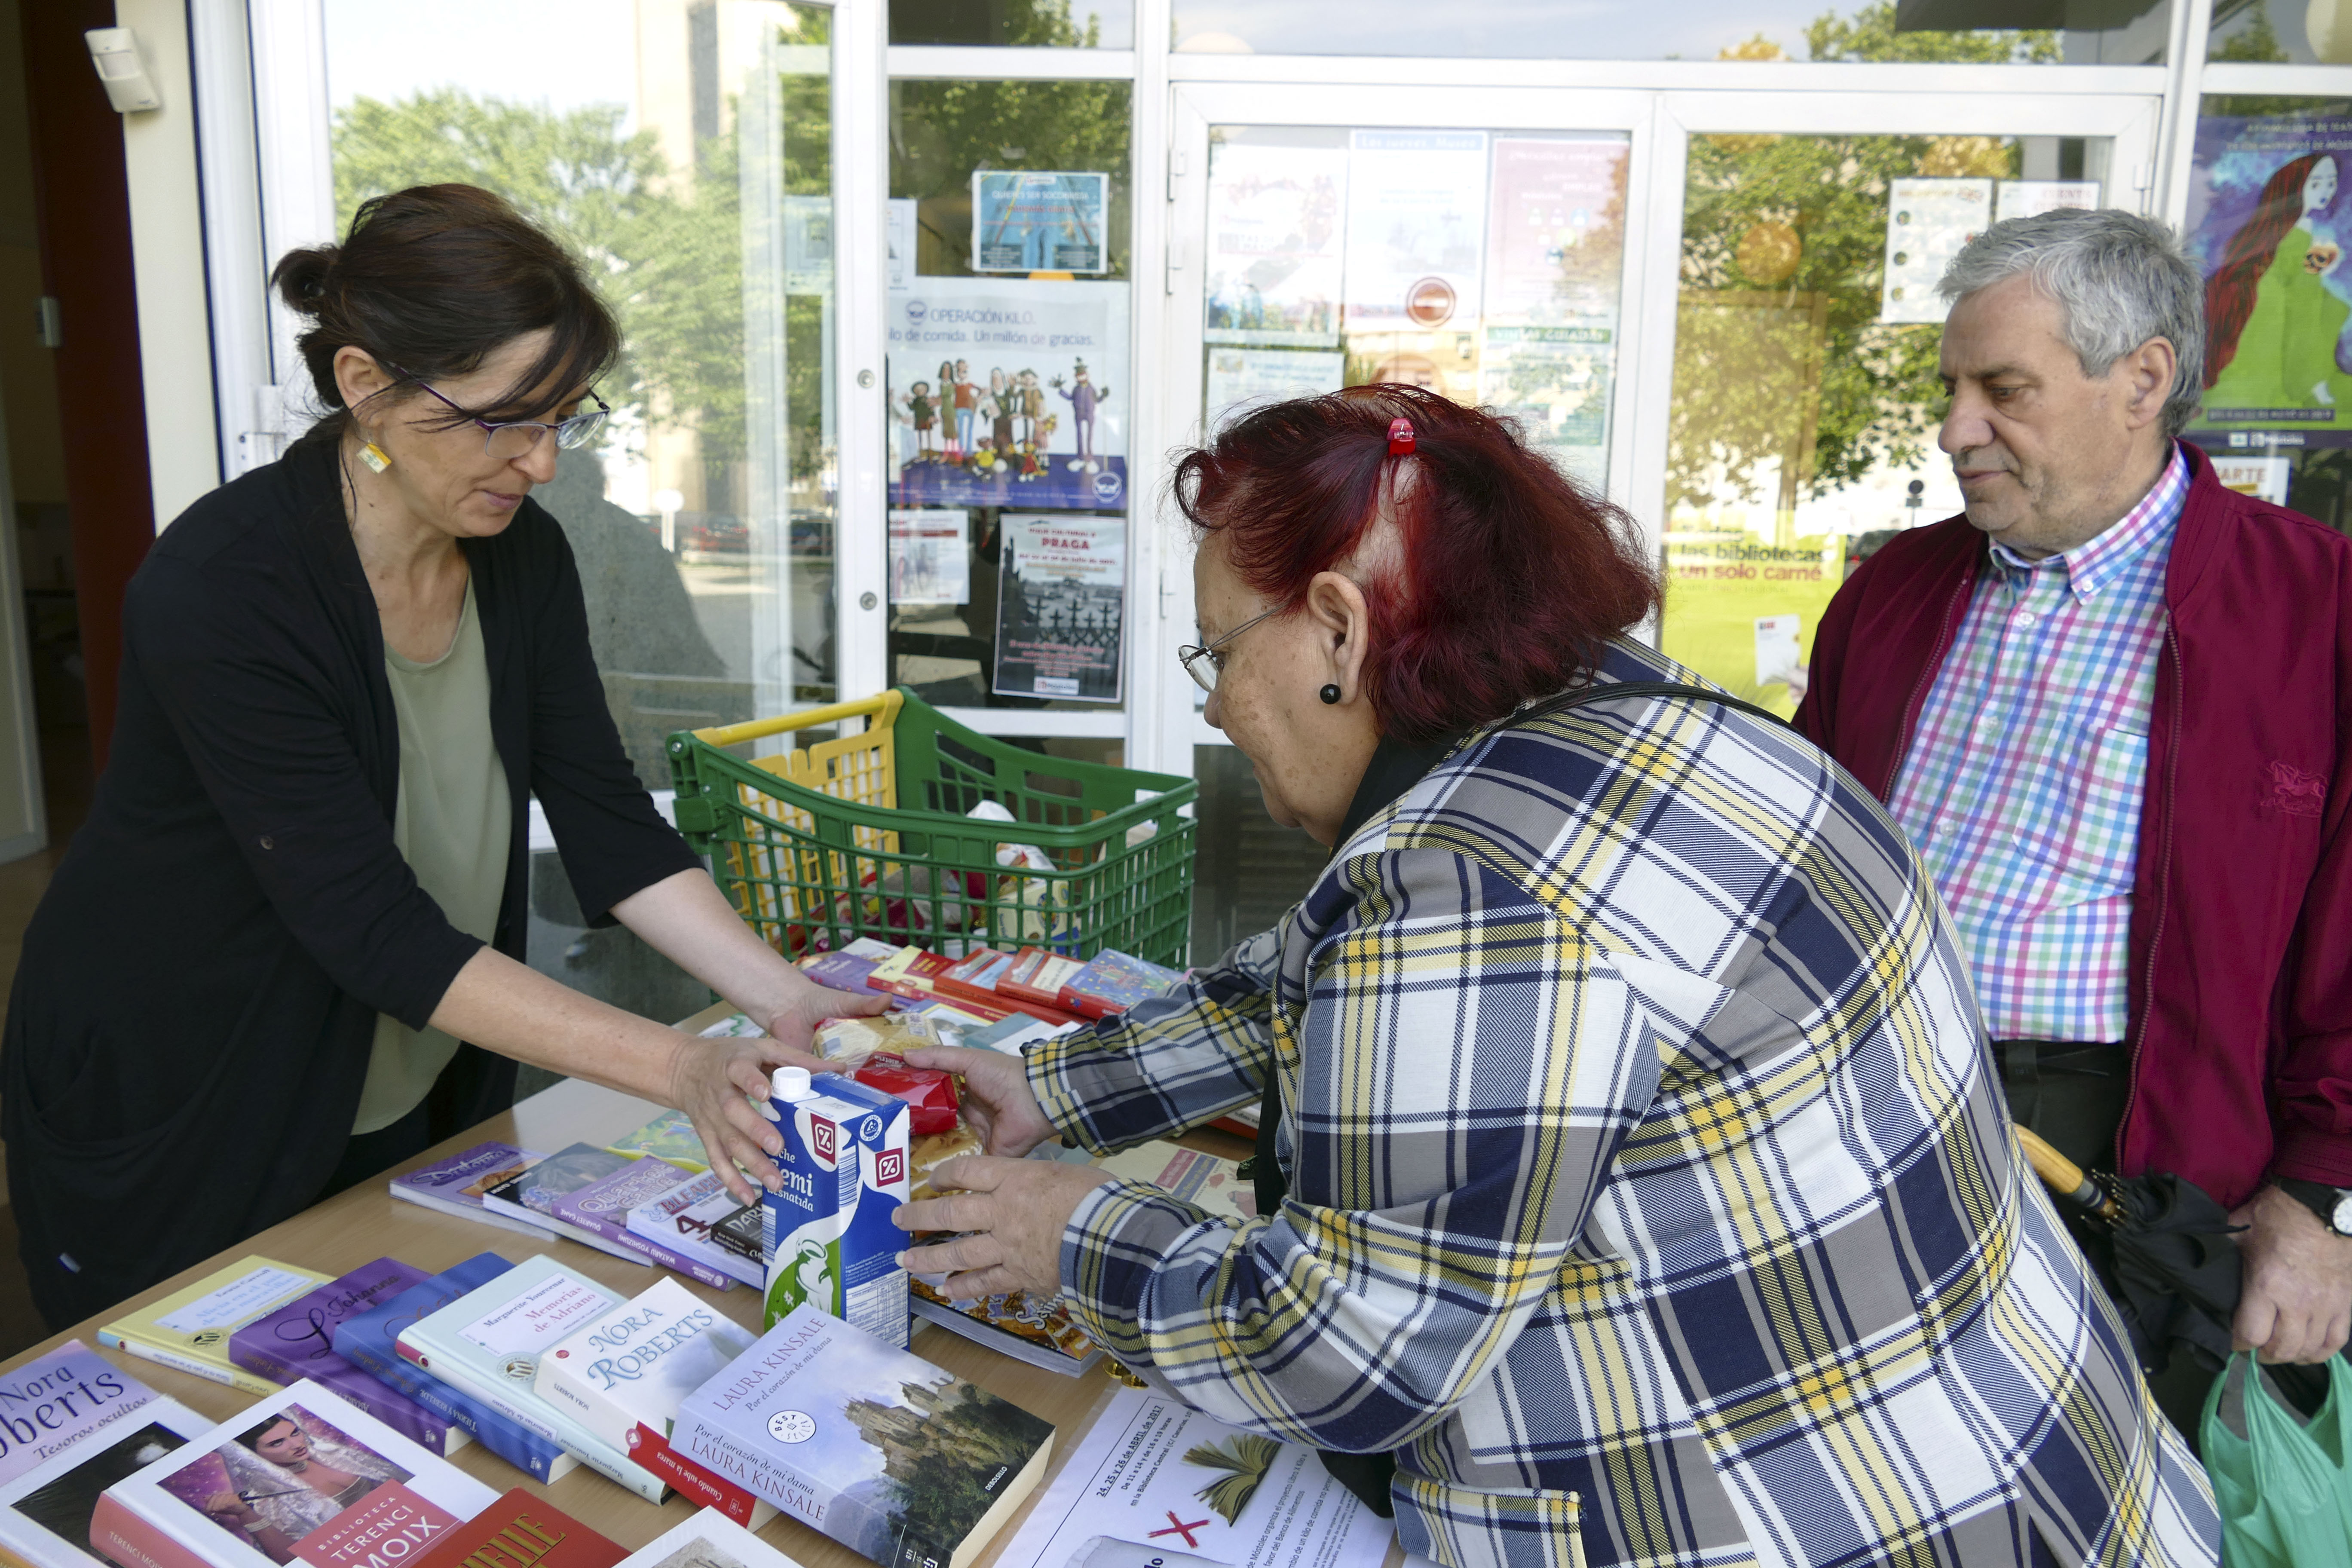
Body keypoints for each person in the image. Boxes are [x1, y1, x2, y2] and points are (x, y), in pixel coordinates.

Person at [876, 386, 2217, 1566]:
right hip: (2034, 1456)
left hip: (1826, 1522)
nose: (1218, 705)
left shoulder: (1470, 881)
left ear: (1339, 633)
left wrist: (1072, 1234)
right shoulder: (1656, 725)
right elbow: (1309, 974)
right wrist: (1057, 1082)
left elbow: (1347, 1354)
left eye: (1221, 654)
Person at [0, 184, 881, 1328]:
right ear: (366, 387)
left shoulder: (520, 560)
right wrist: (681, 1068)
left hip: (397, 1062)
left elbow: (609, 820)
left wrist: (788, 998)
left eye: (563, 417)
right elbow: (372, 926)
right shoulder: (226, 587)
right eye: (502, 419)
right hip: (190, 1085)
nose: (543, 461)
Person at [1795, 208, 2352, 1423]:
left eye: (2005, 390)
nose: (1956, 431)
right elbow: (1801, 856)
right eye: (1952, 389)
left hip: (2131, 1149)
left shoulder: (2316, 612)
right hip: (1869, 1116)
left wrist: (2322, 1199)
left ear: (2143, 377)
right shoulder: (1896, 588)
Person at [2202, 153, 2349, 413]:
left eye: (2330, 182)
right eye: (2316, 184)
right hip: (2268, 326)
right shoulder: (2298, 233)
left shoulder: (2277, 229)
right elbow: (2302, 300)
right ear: (2295, 187)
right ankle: (2312, 382)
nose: (2326, 190)